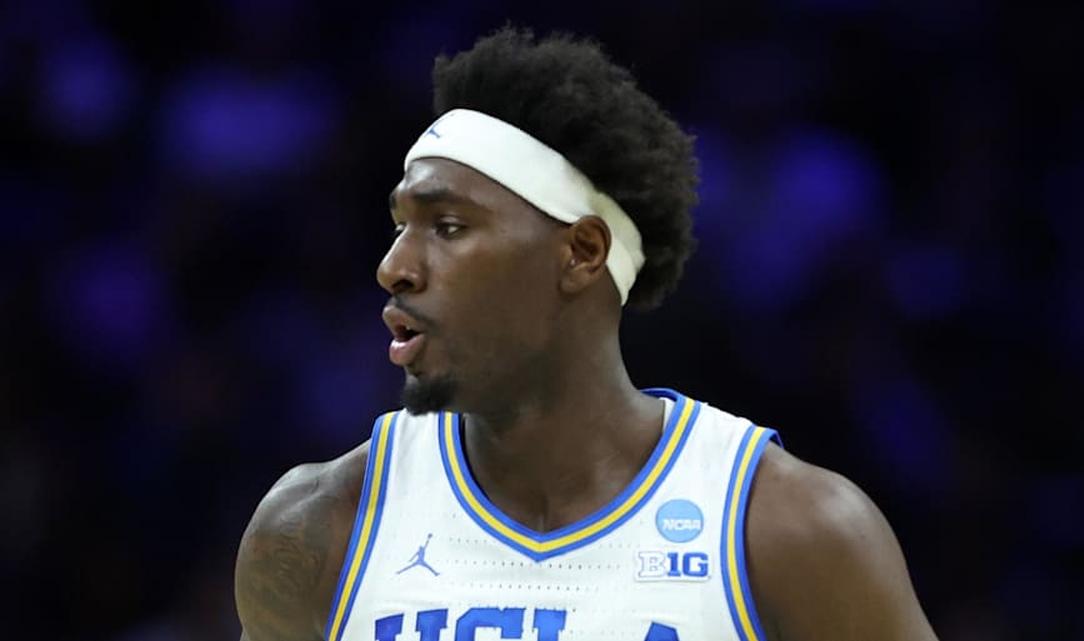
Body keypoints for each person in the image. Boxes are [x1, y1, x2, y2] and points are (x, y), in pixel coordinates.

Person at [234, 27, 939, 641]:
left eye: (447, 227)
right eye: (400, 226)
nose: (394, 267)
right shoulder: (316, 525)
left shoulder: (791, 529)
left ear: (581, 253)